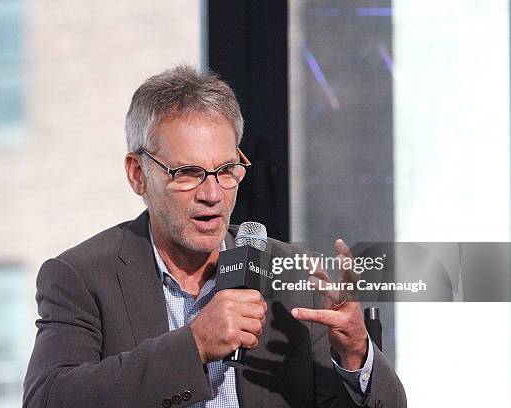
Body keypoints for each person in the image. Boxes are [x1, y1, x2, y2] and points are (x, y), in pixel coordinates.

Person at [23, 65, 406, 408]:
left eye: (226, 170)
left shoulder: (295, 276)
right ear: (137, 174)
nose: (212, 194)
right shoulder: (82, 277)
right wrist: (195, 346)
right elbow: (48, 399)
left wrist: (356, 354)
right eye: (187, 173)